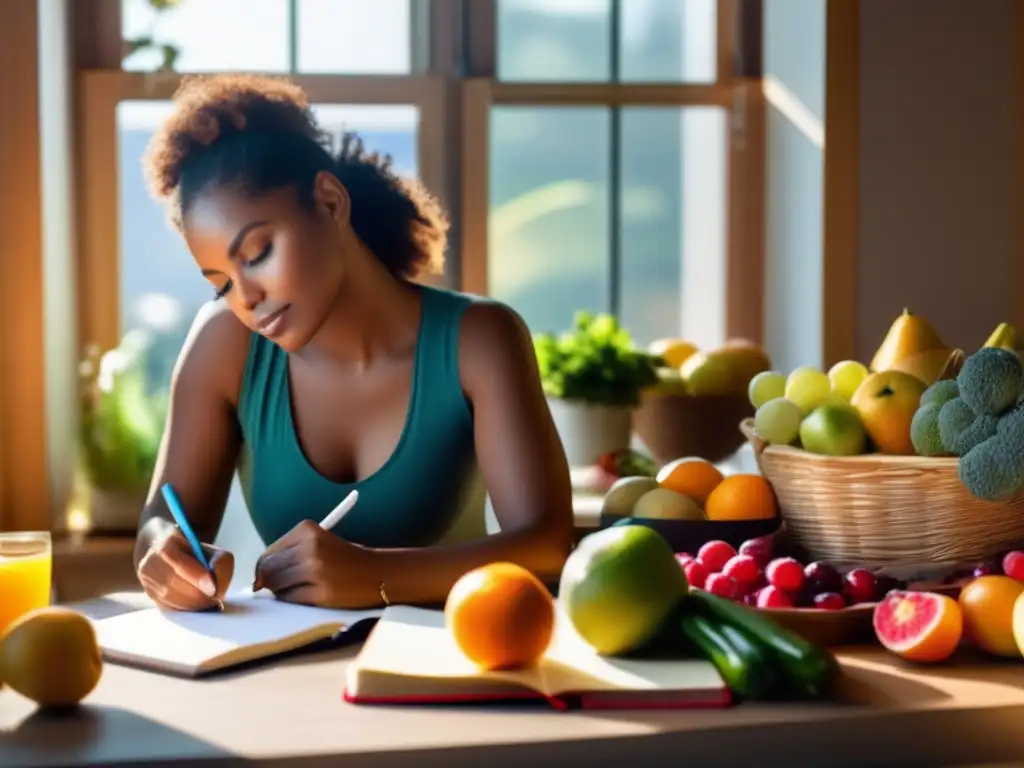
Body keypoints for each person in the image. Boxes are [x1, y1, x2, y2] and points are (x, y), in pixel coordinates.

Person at [132, 74, 574, 612]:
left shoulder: (479, 340)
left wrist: (377, 574)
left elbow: (549, 547)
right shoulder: (224, 344)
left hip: (457, 668)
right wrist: (163, 554)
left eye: (258, 253)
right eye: (220, 283)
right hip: (284, 678)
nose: (245, 297)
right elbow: (161, 518)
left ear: (329, 201)